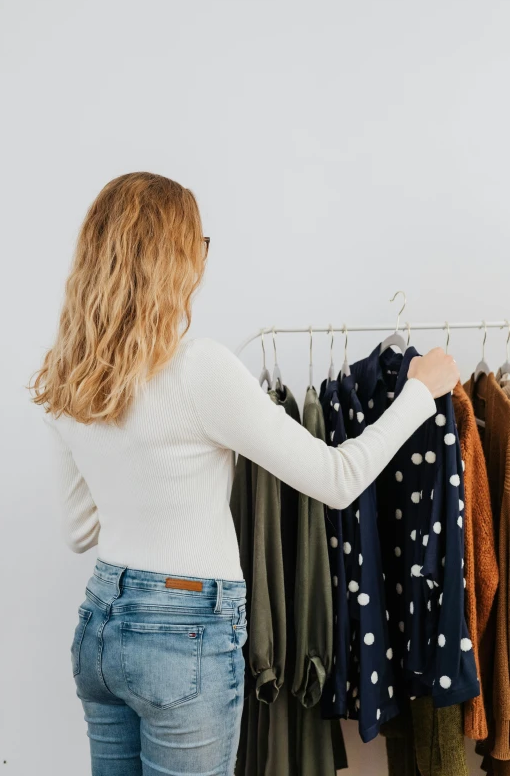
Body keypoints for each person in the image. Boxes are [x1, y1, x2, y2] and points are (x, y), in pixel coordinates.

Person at [31, 172, 460, 776]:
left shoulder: (69, 372)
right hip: (184, 636)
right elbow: (335, 479)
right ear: (175, 259)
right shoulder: (198, 369)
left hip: (101, 626)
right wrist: (417, 395)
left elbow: (79, 530)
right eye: (198, 245)